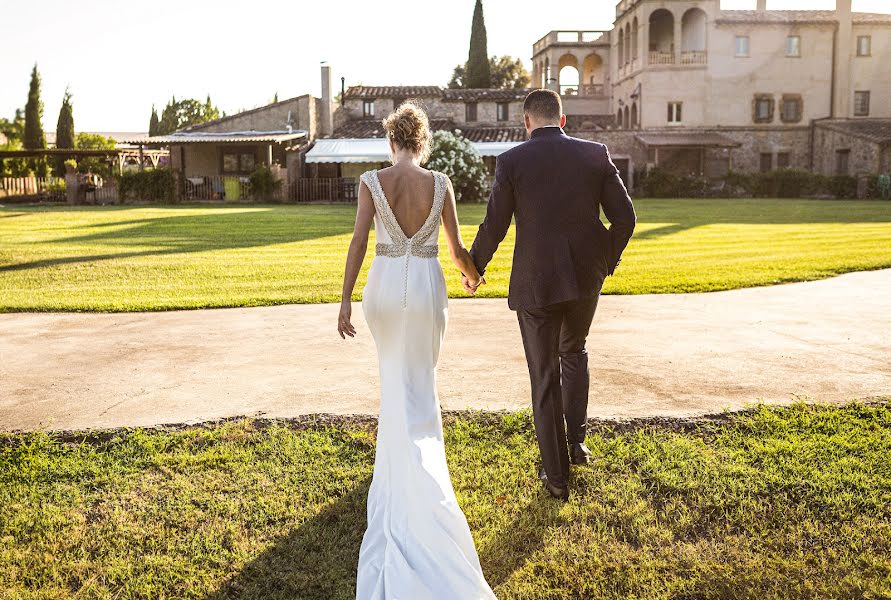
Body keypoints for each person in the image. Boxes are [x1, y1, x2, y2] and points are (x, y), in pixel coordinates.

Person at [337, 101, 496, 599]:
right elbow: (455, 250)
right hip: (426, 290)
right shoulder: (442, 183)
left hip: (384, 289)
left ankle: (399, 471)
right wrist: (474, 276)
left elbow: (360, 243)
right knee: (419, 385)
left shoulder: (370, 181)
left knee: (393, 382)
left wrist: (343, 302)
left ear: (392, 141)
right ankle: (419, 471)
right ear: (422, 141)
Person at [464, 89, 636, 501]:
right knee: (574, 352)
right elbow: (625, 218)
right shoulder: (595, 153)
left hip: (536, 283)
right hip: (584, 280)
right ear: (563, 120)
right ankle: (575, 444)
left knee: (544, 374)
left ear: (526, 122)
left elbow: (495, 225)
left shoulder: (512, 161)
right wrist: (602, 262)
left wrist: (475, 268)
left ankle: (556, 477)